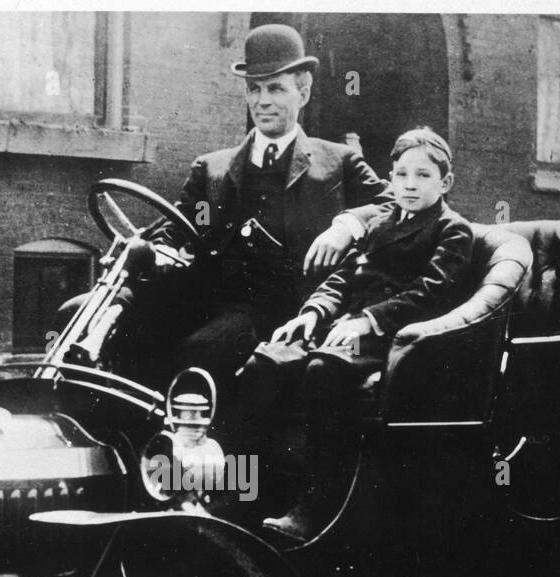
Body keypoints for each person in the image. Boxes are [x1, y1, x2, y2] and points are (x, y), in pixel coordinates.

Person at [55, 24, 390, 391]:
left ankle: (194, 441)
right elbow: (181, 229)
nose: (262, 101)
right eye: (254, 89)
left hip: (285, 309)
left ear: (304, 92)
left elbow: (393, 206)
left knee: (205, 349)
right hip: (204, 297)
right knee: (80, 315)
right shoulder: (212, 167)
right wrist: (162, 252)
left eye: (276, 88)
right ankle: (121, 437)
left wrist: (347, 225)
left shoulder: (338, 163)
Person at [237, 126, 474, 541]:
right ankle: (247, 491)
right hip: (341, 327)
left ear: (445, 182)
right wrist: (311, 314)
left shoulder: (452, 230)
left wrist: (368, 320)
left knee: (322, 372)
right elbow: (342, 277)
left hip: (396, 339)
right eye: (401, 175)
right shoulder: (379, 222)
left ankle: (317, 503)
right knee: (265, 362)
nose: (410, 185)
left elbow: (430, 293)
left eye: (423, 176)